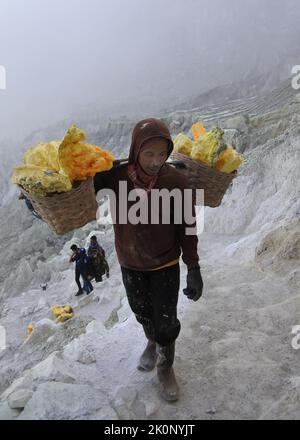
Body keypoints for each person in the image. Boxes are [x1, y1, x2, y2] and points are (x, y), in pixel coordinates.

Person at [93, 118, 203, 402]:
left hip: (165, 264)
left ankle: (166, 368)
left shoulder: (176, 181)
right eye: (148, 154)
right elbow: (77, 188)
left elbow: (187, 226)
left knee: (166, 320)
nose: (156, 161)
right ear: (135, 151)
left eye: (161, 154)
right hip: (130, 262)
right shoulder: (114, 177)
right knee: (141, 311)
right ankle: (152, 342)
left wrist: (193, 267)